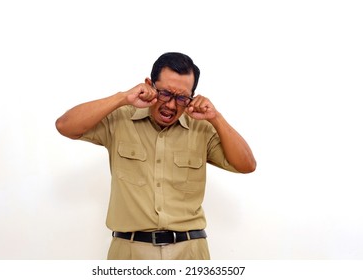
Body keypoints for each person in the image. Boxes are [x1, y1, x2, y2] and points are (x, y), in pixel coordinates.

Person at [55, 52, 256, 260]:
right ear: (149, 85)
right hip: (130, 253)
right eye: (165, 93)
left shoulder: (202, 128)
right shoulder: (120, 119)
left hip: (190, 252)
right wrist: (122, 97)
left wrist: (216, 118)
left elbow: (247, 164)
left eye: (181, 98)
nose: (170, 105)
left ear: (192, 98)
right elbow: (65, 126)